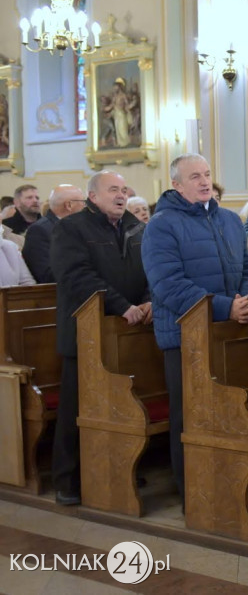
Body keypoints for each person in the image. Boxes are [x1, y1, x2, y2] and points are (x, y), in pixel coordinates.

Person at [142, 153, 248, 504]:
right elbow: (168, 285)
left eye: (207, 174)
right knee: (190, 416)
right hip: (185, 337)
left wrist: (247, 299)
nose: (205, 181)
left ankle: (229, 484)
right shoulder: (161, 225)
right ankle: (192, 490)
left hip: (230, 333)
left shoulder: (229, 220)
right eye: (195, 177)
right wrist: (225, 307)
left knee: (227, 412)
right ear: (176, 184)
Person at [50, 171, 150, 506]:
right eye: (113, 190)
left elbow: (152, 268)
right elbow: (76, 276)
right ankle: (68, 478)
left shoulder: (137, 227)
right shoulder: (72, 228)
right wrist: (121, 305)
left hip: (126, 333)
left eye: (124, 190)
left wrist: (148, 301)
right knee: (76, 408)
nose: (121, 195)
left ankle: (118, 468)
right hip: (86, 333)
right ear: (93, 196)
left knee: (120, 407)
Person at [22, 184, 86, 283]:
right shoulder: (40, 231)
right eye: (83, 202)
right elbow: (46, 274)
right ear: (69, 205)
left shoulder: (78, 228)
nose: (85, 206)